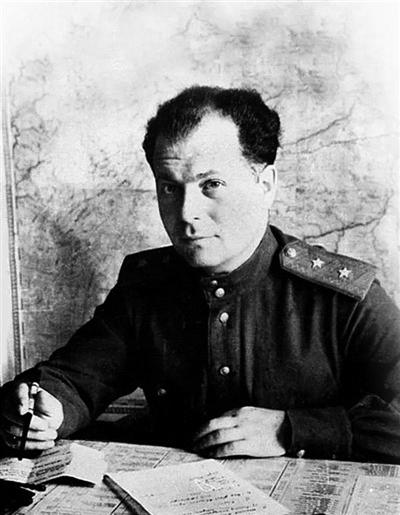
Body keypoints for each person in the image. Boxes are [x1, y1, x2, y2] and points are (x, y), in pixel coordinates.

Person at [1, 86, 399, 463]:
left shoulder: (341, 298)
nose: (186, 213)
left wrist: (291, 430)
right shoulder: (147, 288)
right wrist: (44, 408)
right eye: (169, 188)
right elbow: (75, 379)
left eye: (212, 184)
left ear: (265, 185)